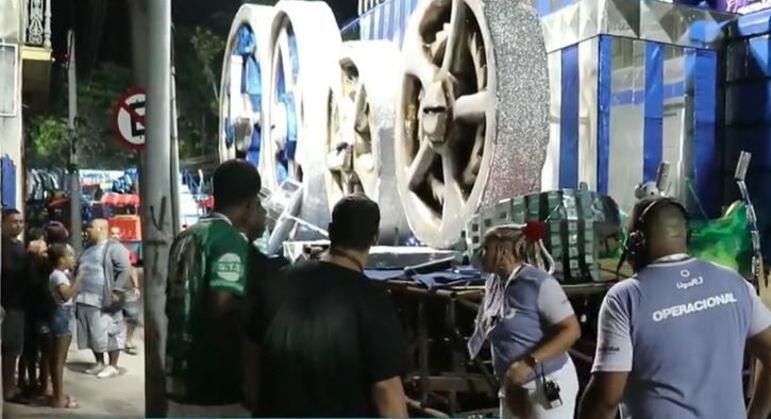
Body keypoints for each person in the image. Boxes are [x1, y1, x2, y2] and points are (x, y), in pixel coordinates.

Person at [578, 197, 771, 419]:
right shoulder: (734, 283)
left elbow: (607, 397)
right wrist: (756, 414)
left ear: (636, 241)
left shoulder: (624, 298)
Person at [247, 194, 408, 418]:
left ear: (331, 231)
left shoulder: (277, 282)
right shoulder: (372, 300)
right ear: (375, 238)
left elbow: (251, 356)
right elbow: (386, 389)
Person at [165, 159, 267, 416]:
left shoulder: (187, 236)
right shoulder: (230, 241)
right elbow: (223, 307)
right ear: (249, 204)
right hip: (216, 386)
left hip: (180, 377)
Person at [468, 223, 581, 419]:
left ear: (502, 251)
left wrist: (529, 363)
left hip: (544, 382)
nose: (481, 253)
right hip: (512, 384)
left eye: (486, 248)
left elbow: (571, 331)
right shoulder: (494, 283)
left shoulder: (539, 283)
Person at [74, 218, 133, 379]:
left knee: (111, 331)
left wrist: (117, 290)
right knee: (92, 333)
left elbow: (125, 269)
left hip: (104, 299)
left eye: (91, 227)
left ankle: (112, 365)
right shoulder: (88, 249)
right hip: (85, 299)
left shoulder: (114, 248)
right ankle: (99, 361)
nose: (87, 230)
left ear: (101, 229)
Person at [47, 244, 82, 409]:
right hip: (61, 316)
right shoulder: (57, 276)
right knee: (58, 360)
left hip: (63, 315)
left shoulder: (62, 274)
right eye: (70, 256)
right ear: (61, 259)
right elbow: (66, 294)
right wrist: (79, 279)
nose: (72, 259)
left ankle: (58, 394)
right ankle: (58, 397)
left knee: (59, 359)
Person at [1, 209, 28, 402]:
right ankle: (7, 388)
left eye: (20, 222)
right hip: (6, 306)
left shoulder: (19, 246)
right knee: (9, 349)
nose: (18, 225)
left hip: (18, 304)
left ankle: (10, 385)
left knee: (13, 350)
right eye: (13, 222)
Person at [109, 227, 141, 355]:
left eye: (117, 233)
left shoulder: (127, 251)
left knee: (133, 316)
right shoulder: (105, 252)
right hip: (111, 290)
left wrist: (136, 286)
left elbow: (132, 269)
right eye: (113, 234)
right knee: (111, 318)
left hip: (127, 289)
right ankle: (114, 345)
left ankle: (128, 341)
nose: (115, 236)